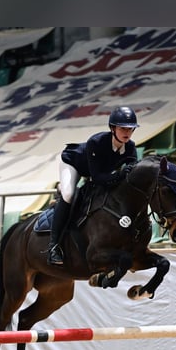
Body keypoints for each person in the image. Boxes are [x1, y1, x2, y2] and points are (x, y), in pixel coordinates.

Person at [47, 106, 140, 265]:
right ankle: (53, 246)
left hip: (98, 171)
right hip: (74, 163)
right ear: (112, 128)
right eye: (123, 128)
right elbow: (97, 177)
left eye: (130, 129)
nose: (127, 133)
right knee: (69, 194)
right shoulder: (96, 142)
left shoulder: (130, 148)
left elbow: (130, 177)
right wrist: (120, 174)